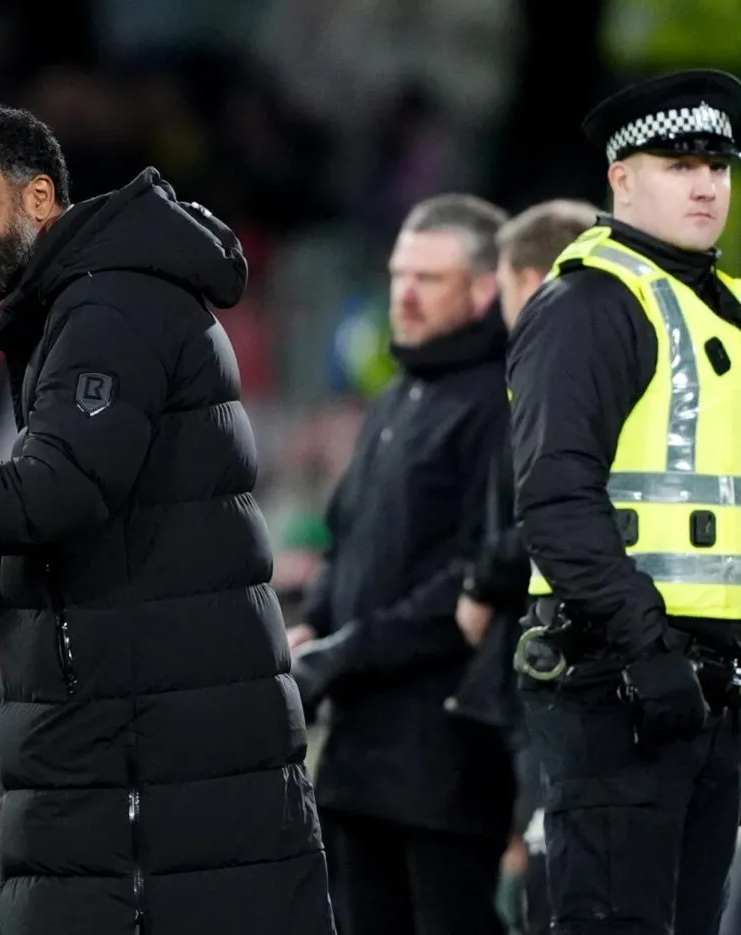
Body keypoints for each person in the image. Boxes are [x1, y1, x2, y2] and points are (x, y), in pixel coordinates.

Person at [0, 105, 335, 935]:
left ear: (39, 196)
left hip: (148, 753)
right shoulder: (91, 303)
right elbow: (62, 525)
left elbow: (49, 497)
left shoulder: (110, 311)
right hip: (142, 739)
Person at [507, 68, 741, 935]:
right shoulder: (588, 304)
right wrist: (647, 646)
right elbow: (555, 499)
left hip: (708, 683)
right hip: (618, 680)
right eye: (680, 163)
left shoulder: (722, 312)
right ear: (621, 177)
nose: (707, 183)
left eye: (718, 165)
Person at [289, 193, 518, 935]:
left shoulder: (499, 403)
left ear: (485, 288)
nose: (405, 295)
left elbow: (477, 574)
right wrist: (316, 624)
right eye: (398, 276)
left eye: (429, 278)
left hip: (444, 757)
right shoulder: (395, 398)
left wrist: (347, 651)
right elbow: (347, 537)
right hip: (359, 755)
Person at [441, 198, 597, 935]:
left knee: (549, 879)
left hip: (555, 666)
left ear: (530, 279)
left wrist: (482, 581)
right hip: (550, 666)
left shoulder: (562, 373)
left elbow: (552, 508)